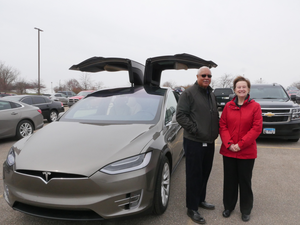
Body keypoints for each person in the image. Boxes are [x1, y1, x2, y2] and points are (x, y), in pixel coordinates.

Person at [176, 66, 219, 224]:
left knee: (205, 172)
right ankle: (192, 208)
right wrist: (195, 130)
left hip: (209, 141)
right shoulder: (188, 93)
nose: (206, 77)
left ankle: (200, 199)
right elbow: (181, 115)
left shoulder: (211, 94)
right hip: (194, 141)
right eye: (203, 75)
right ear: (197, 76)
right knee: (194, 175)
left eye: (209, 75)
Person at [219, 76, 262, 222]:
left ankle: (246, 209)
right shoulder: (228, 106)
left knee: (245, 181)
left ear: (248, 89)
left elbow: (256, 128)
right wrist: (230, 143)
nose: (241, 89)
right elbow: (222, 126)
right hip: (229, 151)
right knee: (229, 180)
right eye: (239, 87)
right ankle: (228, 207)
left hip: (247, 152)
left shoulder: (255, 107)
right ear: (235, 90)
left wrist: (240, 144)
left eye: (244, 87)